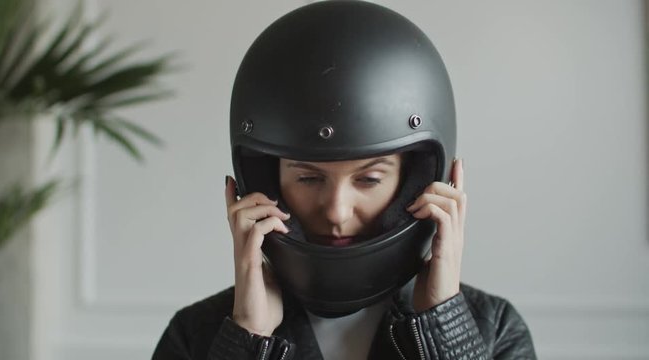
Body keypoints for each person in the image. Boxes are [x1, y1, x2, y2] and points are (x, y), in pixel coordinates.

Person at [152, 1, 536, 359]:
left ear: (421, 181)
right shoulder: (193, 336)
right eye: (308, 178)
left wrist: (443, 324)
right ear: (263, 185)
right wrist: (248, 337)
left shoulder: (496, 328)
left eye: (369, 179)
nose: (336, 211)